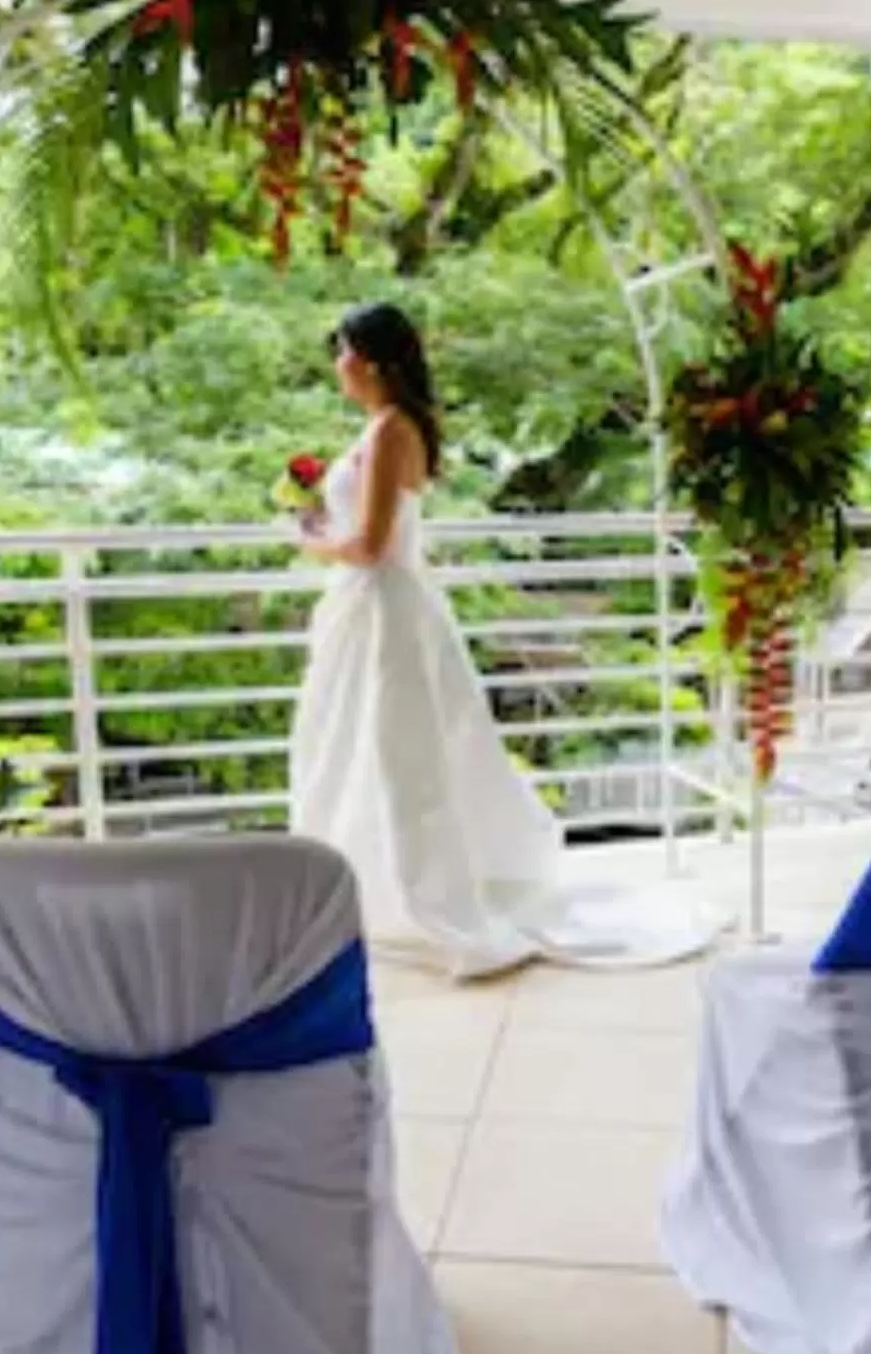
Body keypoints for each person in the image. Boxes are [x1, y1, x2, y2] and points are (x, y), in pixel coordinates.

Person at [288, 301, 718, 979]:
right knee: (365, 746)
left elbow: (369, 544)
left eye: (340, 351)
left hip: (384, 606)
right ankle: (363, 885)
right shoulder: (390, 426)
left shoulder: (392, 430)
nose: (336, 365)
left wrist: (310, 539)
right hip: (382, 608)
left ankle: (410, 891)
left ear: (367, 360)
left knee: (398, 752)